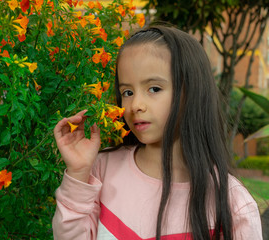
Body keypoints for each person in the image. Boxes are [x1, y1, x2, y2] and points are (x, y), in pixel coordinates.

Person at [52, 25, 263, 240]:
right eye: (127, 92)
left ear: (192, 92)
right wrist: (78, 172)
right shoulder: (102, 170)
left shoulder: (232, 202)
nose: (136, 104)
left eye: (154, 89)